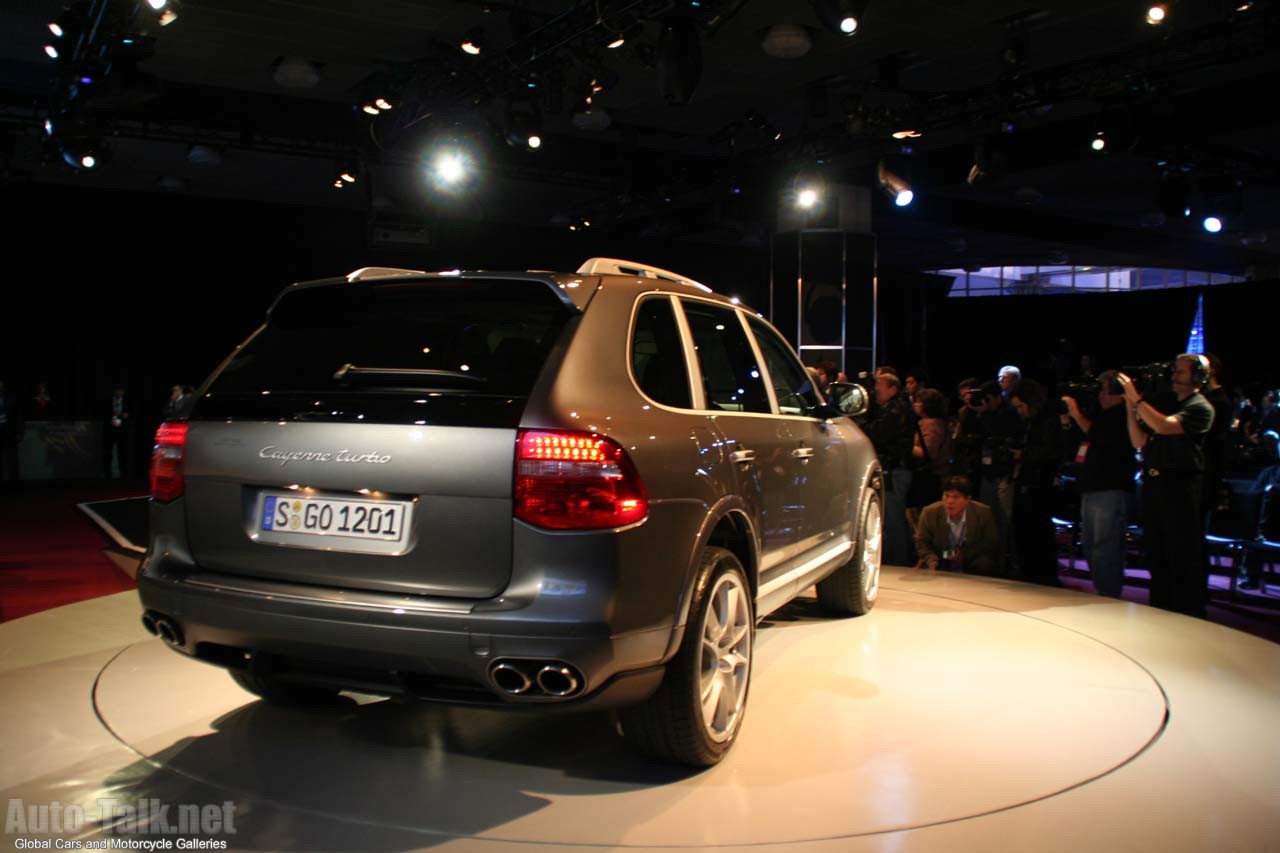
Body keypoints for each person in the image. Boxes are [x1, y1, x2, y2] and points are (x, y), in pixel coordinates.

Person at [1117, 354, 1215, 617]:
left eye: (1180, 372)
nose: (1174, 376)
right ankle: (1161, 610)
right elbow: (1139, 441)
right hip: (1155, 486)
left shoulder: (1200, 407)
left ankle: (1185, 613)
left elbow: (1163, 426)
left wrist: (1137, 399)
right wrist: (1130, 407)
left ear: (1198, 377)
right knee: (1157, 555)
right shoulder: (1169, 405)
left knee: (1179, 555)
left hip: (1179, 488)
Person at [1062, 371, 1136, 598]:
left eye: (1106, 390)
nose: (1101, 395)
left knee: (1106, 546)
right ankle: (1102, 590)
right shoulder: (1103, 415)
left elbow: (1095, 434)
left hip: (1111, 488)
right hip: (1092, 487)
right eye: (1101, 390)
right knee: (1092, 546)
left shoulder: (1123, 416)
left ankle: (1108, 594)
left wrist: (1075, 413)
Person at [1009, 379, 1063, 586]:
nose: (1019, 411)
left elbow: (1052, 452)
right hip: (1027, 482)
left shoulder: (1048, 420)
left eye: (1021, 406)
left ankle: (1042, 577)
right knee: (1024, 531)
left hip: (1040, 486)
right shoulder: (1031, 422)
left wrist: (1023, 454)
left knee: (1038, 534)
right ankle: (1030, 574)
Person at [862, 372, 916, 566]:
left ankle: (899, 562)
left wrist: (864, 423)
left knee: (894, 520)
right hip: (893, 469)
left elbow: (880, 433)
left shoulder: (897, 409)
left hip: (896, 471)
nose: (876, 391)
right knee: (890, 519)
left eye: (880, 386)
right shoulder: (893, 408)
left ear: (892, 388)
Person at [914, 475, 1002, 575]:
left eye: (956, 497)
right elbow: (921, 541)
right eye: (946, 496)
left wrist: (964, 556)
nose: (949, 501)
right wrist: (930, 559)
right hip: (941, 555)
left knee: (984, 563)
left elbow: (990, 542)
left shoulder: (983, 512)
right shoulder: (930, 512)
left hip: (970, 557)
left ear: (967, 499)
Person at [976, 379, 1021, 570]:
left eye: (986, 399)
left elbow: (1012, 439)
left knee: (1005, 520)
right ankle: (990, 561)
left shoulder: (1011, 414)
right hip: (987, 473)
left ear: (996, 397)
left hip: (1005, 473)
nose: (983, 403)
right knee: (987, 520)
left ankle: (1006, 562)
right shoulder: (983, 414)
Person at [906, 387, 953, 531]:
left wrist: (905, 446)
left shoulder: (931, 425)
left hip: (930, 477)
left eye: (918, 402)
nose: (915, 404)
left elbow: (928, 453)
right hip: (934, 476)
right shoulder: (936, 423)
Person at [104, 385, 133, 479]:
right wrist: (111, 416)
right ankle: (107, 474)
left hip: (123, 431)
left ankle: (124, 474)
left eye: (121, 391)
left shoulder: (127, 402)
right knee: (108, 452)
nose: (119, 393)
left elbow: (131, 414)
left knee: (123, 452)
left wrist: (125, 415)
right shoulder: (108, 401)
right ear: (114, 391)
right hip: (110, 430)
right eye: (117, 391)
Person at [0, 378, 23, 480]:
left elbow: (19, 417)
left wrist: (20, 432)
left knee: (12, 460)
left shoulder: (12, 399)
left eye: (0, 385)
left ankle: (14, 485)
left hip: (10, 433)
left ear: (3, 387)